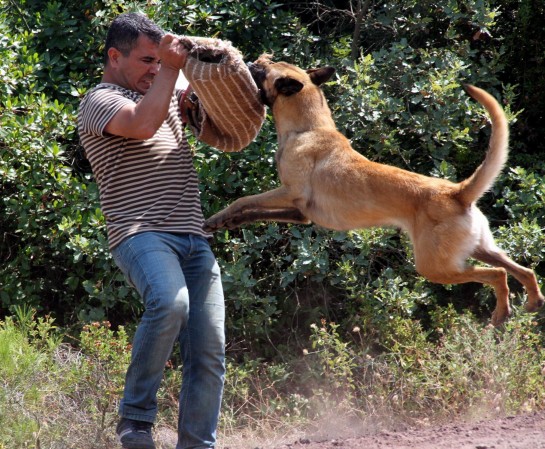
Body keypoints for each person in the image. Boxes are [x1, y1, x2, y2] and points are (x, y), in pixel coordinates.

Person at [77, 12, 226, 449]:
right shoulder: (99, 100)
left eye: (159, 61)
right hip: (140, 233)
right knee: (171, 301)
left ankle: (198, 445)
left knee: (209, 349)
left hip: (193, 237)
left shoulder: (164, 86)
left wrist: (210, 86)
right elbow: (142, 124)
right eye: (146, 60)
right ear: (114, 56)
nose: (155, 69)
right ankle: (136, 420)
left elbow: (226, 129)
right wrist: (174, 73)